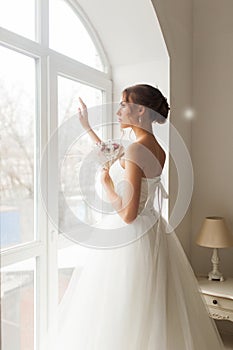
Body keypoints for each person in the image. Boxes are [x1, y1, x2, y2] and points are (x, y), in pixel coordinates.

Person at [56, 84, 224, 349]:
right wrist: (87, 128)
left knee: (122, 310)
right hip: (153, 229)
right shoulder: (156, 148)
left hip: (132, 235)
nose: (118, 110)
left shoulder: (135, 149)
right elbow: (111, 153)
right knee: (152, 308)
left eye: (124, 104)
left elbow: (128, 215)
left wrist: (108, 185)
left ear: (141, 111)